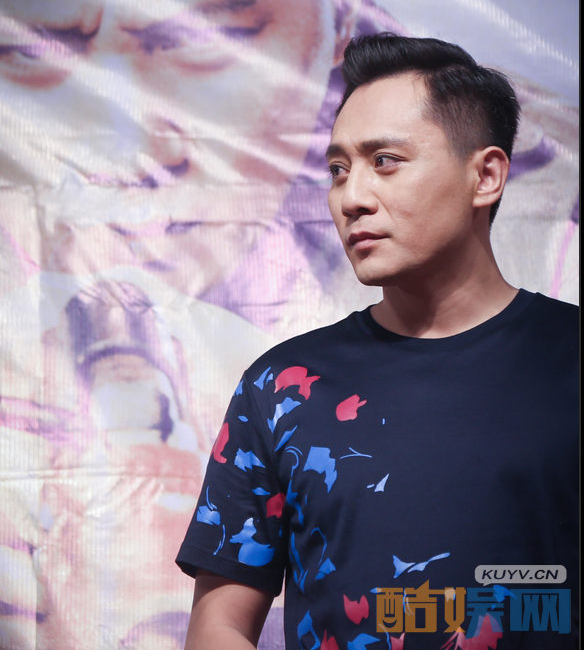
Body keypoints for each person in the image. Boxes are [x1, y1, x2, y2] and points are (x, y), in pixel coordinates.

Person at [176, 34, 579, 649]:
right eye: (338, 170)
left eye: (385, 161)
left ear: (486, 176)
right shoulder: (283, 387)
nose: (352, 198)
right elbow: (220, 622)